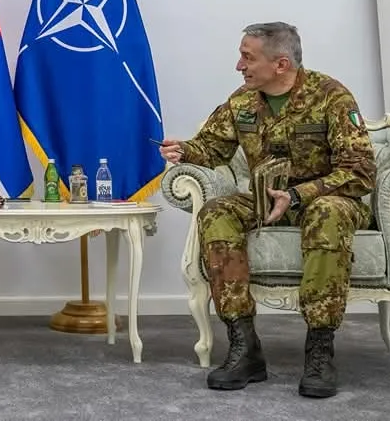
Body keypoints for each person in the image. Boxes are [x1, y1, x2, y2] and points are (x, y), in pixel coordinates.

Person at [159, 22, 376, 399]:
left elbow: (360, 171)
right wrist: (185, 151)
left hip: (326, 199)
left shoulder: (331, 96)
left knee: (327, 213)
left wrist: (297, 195)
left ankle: (320, 350)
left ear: (281, 64)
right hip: (265, 199)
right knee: (216, 212)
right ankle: (244, 347)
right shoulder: (242, 101)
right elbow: (212, 147)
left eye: (247, 57)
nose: (239, 66)